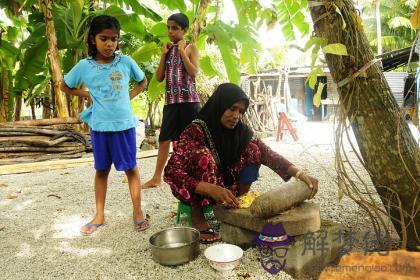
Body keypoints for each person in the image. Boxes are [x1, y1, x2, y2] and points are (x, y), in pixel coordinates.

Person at [164, 83, 319, 243]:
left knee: (253, 149)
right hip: (199, 187)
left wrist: (300, 174)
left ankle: (238, 203)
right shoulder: (196, 130)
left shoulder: (241, 131)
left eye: (240, 111)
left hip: (225, 186)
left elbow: (268, 154)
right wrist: (210, 188)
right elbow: (172, 172)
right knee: (201, 155)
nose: (236, 115)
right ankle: (199, 218)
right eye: (232, 108)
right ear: (219, 105)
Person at [61, 15, 149, 235]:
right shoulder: (84, 66)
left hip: (124, 126)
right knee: (101, 170)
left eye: (114, 39)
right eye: (104, 38)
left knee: (131, 168)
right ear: (93, 40)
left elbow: (143, 81)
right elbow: (65, 85)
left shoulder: (126, 62)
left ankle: (137, 211)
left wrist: (129, 96)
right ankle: (99, 215)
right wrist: (88, 95)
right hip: (100, 127)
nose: (110, 44)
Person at [142, 13, 200, 189]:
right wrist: (163, 55)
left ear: (185, 30)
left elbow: (194, 72)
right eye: (168, 27)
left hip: (189, 102)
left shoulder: (191, 48)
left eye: (175, 28)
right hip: (171, 102)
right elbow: (159, 77)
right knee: (164, 139)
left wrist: (182, 52)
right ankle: (156, 178)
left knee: (193, 140)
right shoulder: (167, 49)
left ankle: (196, 175)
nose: (170, 31)